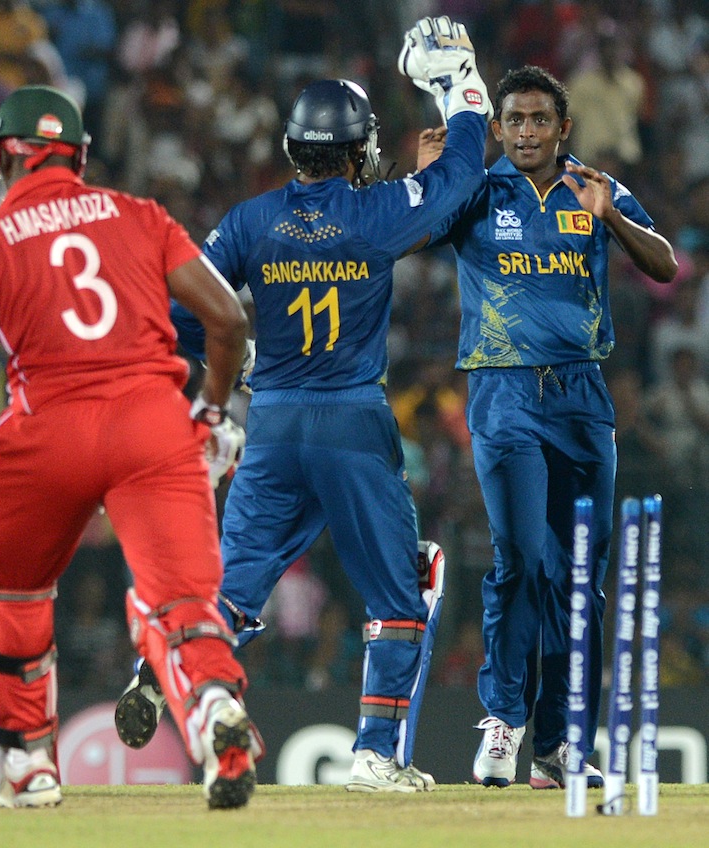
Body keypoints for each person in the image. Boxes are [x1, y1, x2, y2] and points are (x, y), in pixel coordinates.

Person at [113, 16, 492, 793]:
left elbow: (186, 311)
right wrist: (464, 94)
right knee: (397, 591)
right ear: (358, 151)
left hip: (274, 422)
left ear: (291, 149)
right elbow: (457, 183)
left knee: (237, 584)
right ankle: (374, 754)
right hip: (353, 421)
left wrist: (239, 352)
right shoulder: (378, 209)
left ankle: (161, 663)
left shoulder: (249, 220)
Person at [0, 84, 264, 810]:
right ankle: (212, 706)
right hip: (152, 424)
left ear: (1, 155)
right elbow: (228, 320)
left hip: (47, 431)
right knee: (178, 598)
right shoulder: (139, 215)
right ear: (78, 156)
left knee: (6, 583)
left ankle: (26, 760)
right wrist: (208, 414)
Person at [418, 65, 677, 788]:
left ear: (563, 128)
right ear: (496, 128)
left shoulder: (595, 188)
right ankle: (503, 721)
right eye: (515, 121)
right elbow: (404, 238)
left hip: (583, 400)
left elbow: (665, 265)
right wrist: (427, 180)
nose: (527, 132)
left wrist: (614, 219)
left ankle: (561, 748)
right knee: (522, 562)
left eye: (540, 120)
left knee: (579, 586)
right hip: (504, 398)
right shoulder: (476, 187)